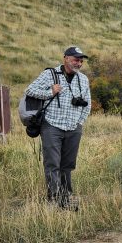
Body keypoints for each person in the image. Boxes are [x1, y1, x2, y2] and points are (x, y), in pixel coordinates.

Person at [25, 46, 92, 209]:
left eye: (81, 60)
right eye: (76, 59)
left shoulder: (83, 79)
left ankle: (66, 198)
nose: (79, 63)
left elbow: (87, 104)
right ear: (66, 58)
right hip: (52, 126)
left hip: (73, 127)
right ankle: (53, 199)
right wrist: (50, 92)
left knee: (67, 165)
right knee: (52, 164)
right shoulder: (50, 74)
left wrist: (79, 122)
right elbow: (30, 90)